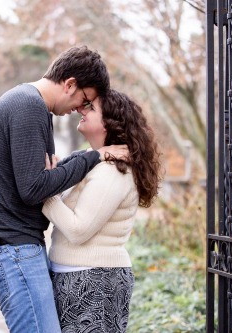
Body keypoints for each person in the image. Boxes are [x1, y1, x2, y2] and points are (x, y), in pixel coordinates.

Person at [0, 46, 129, 333]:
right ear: (70, 84)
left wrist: (73, 163)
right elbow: (34, 188)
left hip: (13, 248)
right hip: (10, 249)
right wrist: (93, 156)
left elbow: (46, 178)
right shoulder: (28, 105)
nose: (81, 109)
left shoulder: (34, 107)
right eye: (85, 99)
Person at [43, 89, 162, 333]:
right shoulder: (96, 162)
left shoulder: (113, 171)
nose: (81, 110)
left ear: (109, 123)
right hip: (77, 277)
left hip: (95, 281)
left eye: (91, 108)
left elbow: (78, 230)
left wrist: (45, 192)